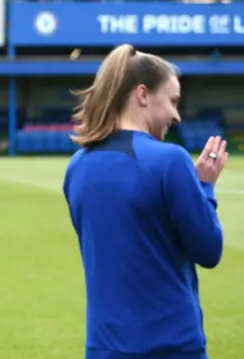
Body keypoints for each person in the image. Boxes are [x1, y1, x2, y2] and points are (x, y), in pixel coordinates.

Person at [63, 44, 228, 359]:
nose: (176, 115)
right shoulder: (170, 160)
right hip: (170, 344)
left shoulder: (78, 165)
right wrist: (204, 186)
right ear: (142, 95)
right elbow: (209, 250)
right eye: (172, 101)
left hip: (103, 345)